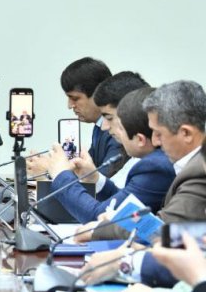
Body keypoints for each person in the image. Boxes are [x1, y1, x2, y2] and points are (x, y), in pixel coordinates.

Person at [80, 82, 206, 288]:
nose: (154, 141)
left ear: (186, 133)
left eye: (158, 133)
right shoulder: (191, 165)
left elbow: (165, 231)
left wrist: (117, 251)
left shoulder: (199, 171)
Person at [46, 86, 175, 224]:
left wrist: (61, 175)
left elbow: (100, 218)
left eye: (120, 128)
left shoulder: (155, 166)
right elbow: (123, 205)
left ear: (140, 139)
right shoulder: (157, 160)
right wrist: (95, 178)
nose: (106, 128)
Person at [28, 57, 123, 177]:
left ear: (98, 94)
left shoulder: (117, 132)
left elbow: (100, 180)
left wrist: (50, 170)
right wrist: (54, 163)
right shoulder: (98, 128)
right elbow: (85, 171)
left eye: (75, 98)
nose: (69, 106)